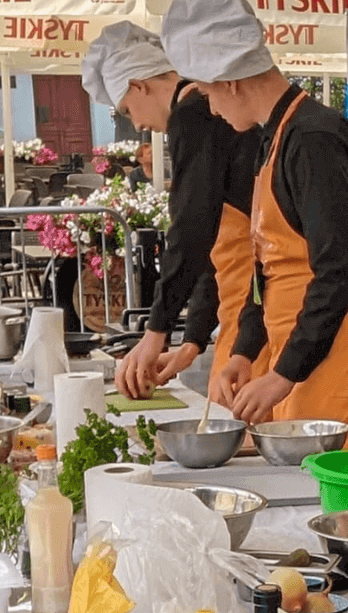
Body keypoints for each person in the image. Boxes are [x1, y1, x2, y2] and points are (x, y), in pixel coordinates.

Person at [163, 0, 348, 448]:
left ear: (230, 80)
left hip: (340, 348)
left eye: (209, 94)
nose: (211, 110)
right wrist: (247, 350)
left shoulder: (313, 140)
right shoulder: (275, 136)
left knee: (333, 499)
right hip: (304, 352)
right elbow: (265, 268)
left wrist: (285, 372)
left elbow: (339, 270)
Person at [82, 22, 264, 403]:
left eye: (128, 110)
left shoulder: (192, 115)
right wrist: (191, 342)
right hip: (249, 306)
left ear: (140, 84)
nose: (138, 125)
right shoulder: (199, 113)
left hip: (264, 307)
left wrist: (156, 331)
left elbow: (191, 231)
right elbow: (212, 247)